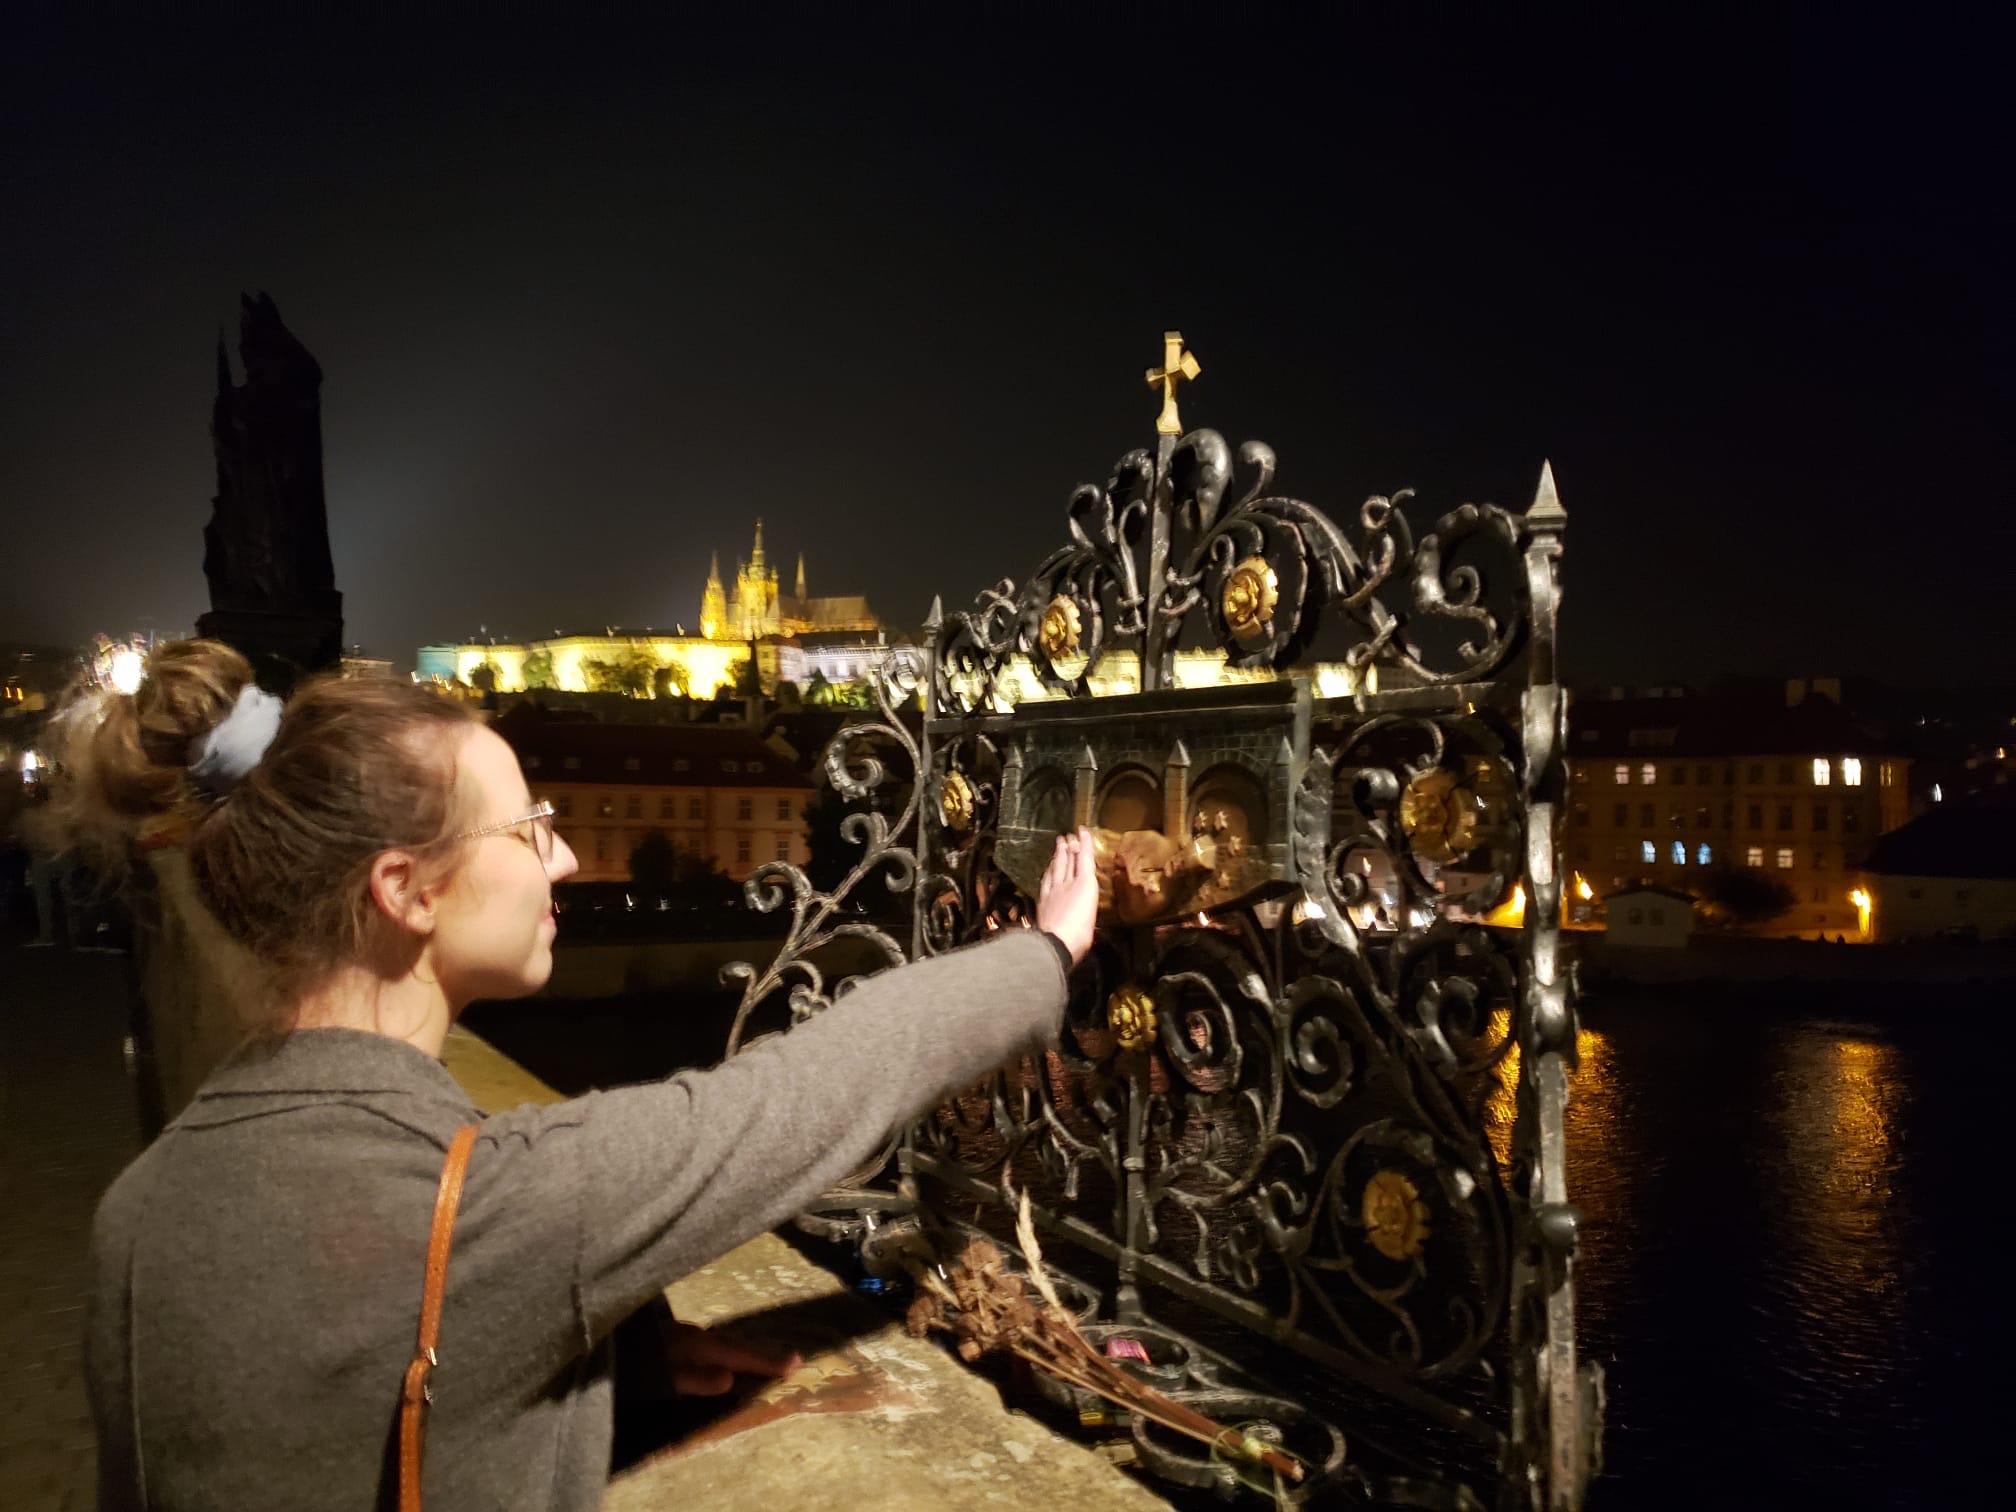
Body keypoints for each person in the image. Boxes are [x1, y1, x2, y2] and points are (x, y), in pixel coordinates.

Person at [44, 639, 1098, 1511]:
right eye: (527, 828)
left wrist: (616, 1372)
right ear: (406, 891)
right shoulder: (502, 1206)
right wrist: (1045, 952)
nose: (559, 860)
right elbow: (809, 1091)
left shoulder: (135, 1211)